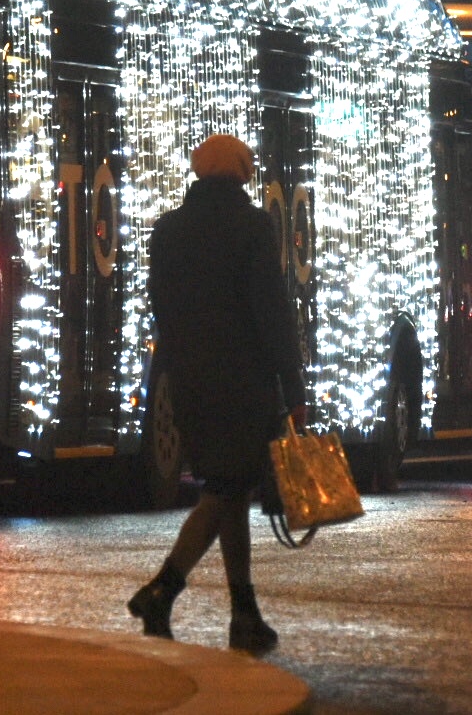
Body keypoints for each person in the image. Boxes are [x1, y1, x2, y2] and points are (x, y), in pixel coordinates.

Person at [128, 134, 307, 655]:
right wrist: (291, 384)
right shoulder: (252, 227)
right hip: (243, 381)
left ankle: (244, 613)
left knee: (230, 487)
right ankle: (163, 588)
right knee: (228, 488)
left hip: (188, 379)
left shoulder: (167, 230)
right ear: (242, 172)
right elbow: (271, 314)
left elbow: (161, 306)